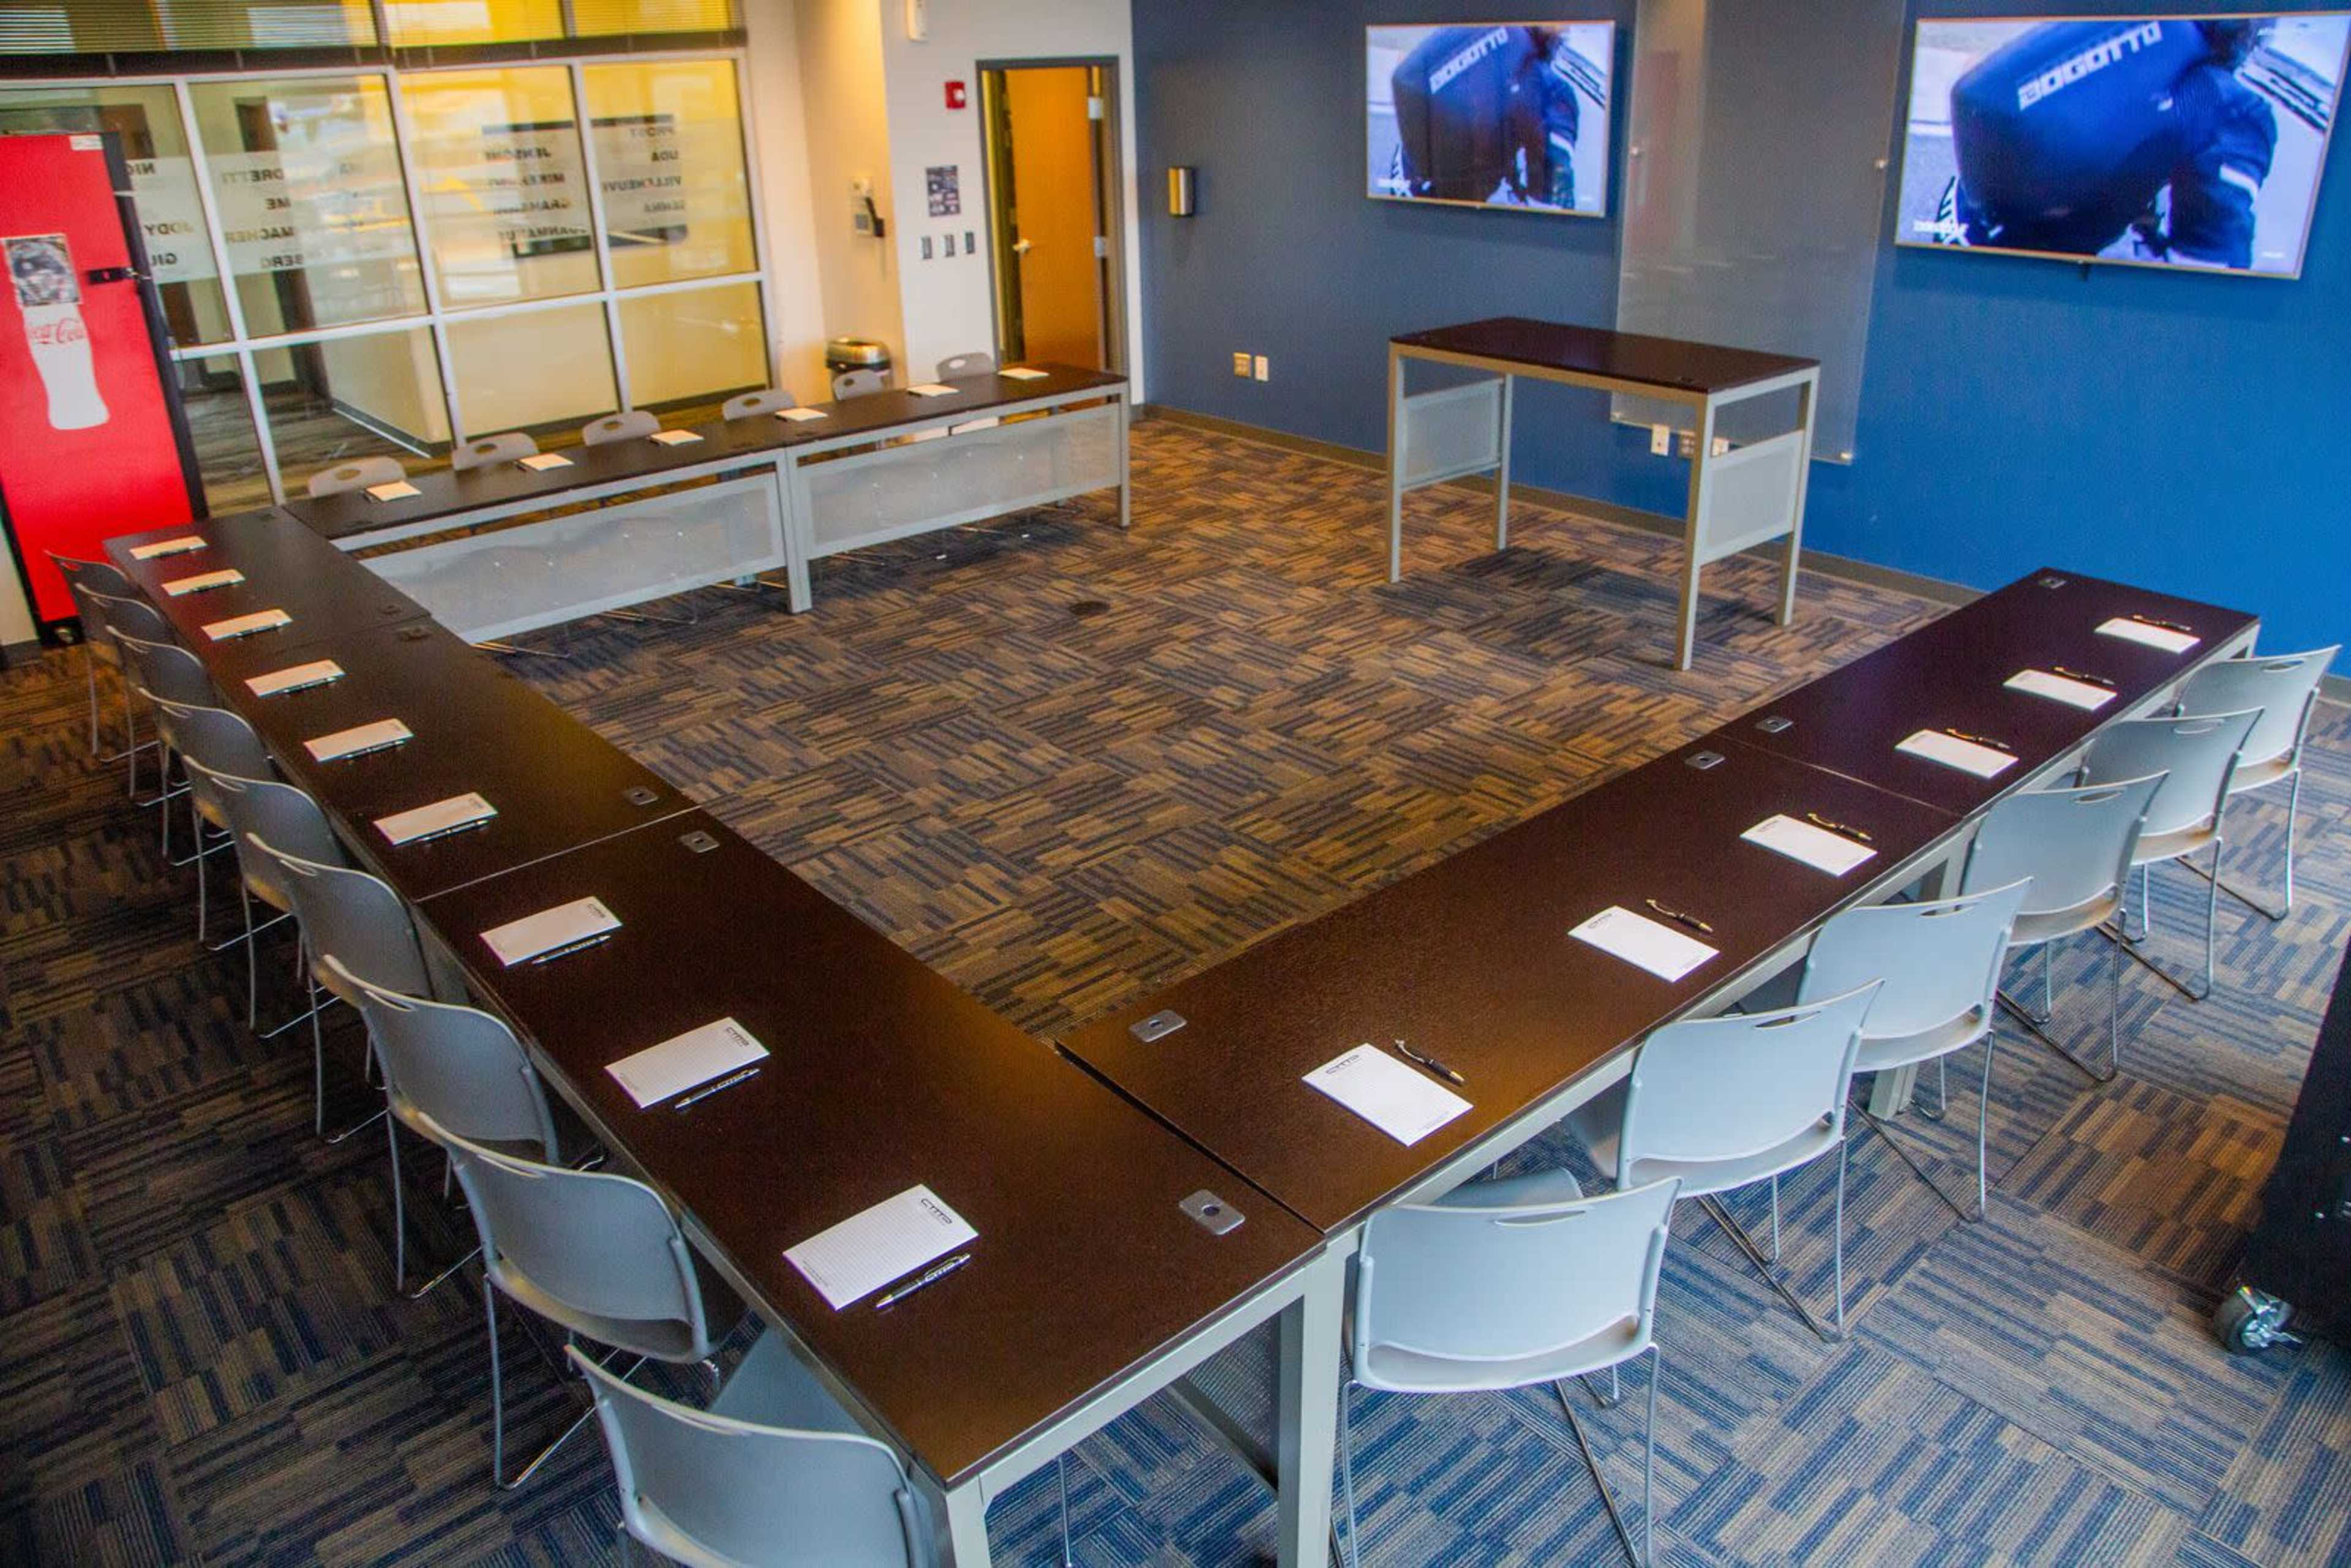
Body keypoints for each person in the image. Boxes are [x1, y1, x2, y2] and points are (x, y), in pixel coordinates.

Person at [1946, 18, 2278, 268]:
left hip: (1958, 226)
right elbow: (2209, 279)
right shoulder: (2228, 106)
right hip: (2026, 283)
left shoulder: (2118, 31)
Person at [1389, 24, 1582, 209]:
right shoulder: (1548, 88)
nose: (1568, 29)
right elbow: (1551, 209)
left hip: (1403, 179)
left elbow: (1406, 65)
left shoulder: (1478, 26)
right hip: (1447, 209)